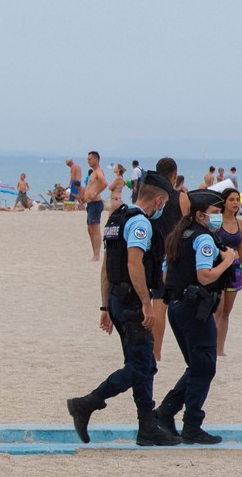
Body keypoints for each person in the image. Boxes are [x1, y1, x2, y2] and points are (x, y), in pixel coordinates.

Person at [66, 173, 179, 446]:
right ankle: (87, 403)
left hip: (117, 300)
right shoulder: (140, 223)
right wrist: (145, 303)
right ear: (160, 199)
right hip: (131, 303)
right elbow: (133, 264)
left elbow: (106, 268)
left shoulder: (116, 218)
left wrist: (105, 306)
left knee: (143, 363)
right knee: (141, 365)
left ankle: (147, 427)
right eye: (164, 203)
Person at [154, 189, 238, 444]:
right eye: (214, 213)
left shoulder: (180, 235)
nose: (217, 217)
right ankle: (192, 425)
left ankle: (166, 412)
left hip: (178, 307)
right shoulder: (203, 239)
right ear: (201, 214)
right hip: (193, 310)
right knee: (205, 367)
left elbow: (166, 273)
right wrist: (227, 261)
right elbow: (204, 276)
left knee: (197, 365)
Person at [148, 157, 190, 362]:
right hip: (172, 255)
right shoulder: (179, 197)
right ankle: (157, 352)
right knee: (162, 305)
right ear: (175, 175)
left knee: (152, 303)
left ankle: (154, 351)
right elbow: (189, 227)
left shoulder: (151, 197)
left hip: (150, 253)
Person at [213, 187, 242, 356]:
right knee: (217, 310)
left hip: (235, 269)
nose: (236, 203)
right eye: (232, 200)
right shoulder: (216, 222)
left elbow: (241, 250)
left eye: (237, 200)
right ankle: (211, 346)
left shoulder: (240, 224)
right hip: (219, 268)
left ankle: (220, 349)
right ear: (224, 203)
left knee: (227, 311)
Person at [83, 151, 108, 262]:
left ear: (96, 159)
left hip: (95, 203)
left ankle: (97, 255)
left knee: (95, 228)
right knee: (90, 229)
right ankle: (94, 253)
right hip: (90, 204)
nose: (88, 161)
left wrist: (95, 193)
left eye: (90, 159)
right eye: (87, 159)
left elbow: (104, 183)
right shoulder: (93, 173)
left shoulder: (98, 172)